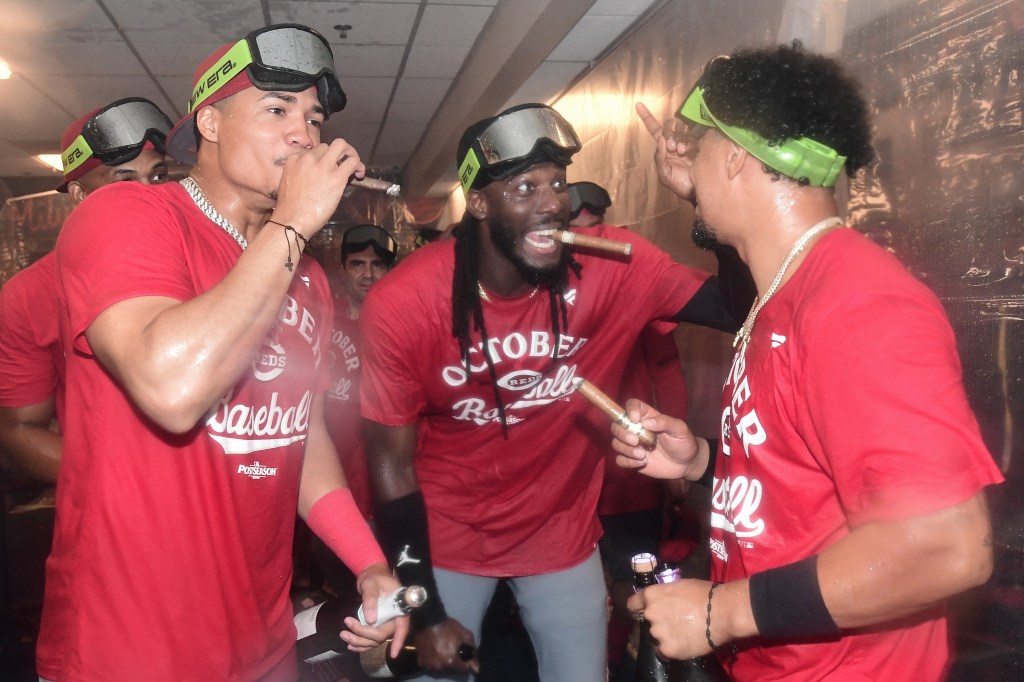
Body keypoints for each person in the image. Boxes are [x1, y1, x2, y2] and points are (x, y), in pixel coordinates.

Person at [616, 43, 1004, 681]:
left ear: (737, 156)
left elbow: (945, 548)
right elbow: (804, 487)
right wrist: (703, 462)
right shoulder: (784, 294)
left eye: (702, 146)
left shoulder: (858, 305)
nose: (687, 165)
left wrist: (722, 613)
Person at [37, 24, 407, 681]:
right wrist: (294, 224)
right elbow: (172, 391)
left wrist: (367, 561)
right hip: (130, 647)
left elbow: (302, 432)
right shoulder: (126, 216)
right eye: (276, 110)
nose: (304, 134)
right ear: (210, 121)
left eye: (313, 118)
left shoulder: (310, 277)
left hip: (259, 641)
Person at [359, 102, 739, 682]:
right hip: (450, 536)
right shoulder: (405, 302)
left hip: (559, 533)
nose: (552, 203)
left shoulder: (612, 266)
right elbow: (391, 464)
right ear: (479, 203)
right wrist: (427, 609)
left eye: (557, 183)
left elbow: (734, 307)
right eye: (525, 186)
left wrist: (706, 199)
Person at [0, 98, 173, 483]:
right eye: (125, 180)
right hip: (113, 513)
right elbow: (18, 432)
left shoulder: (204, 262)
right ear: (79, 194)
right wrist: (134, 482)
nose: (149, 195)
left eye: (158, 177)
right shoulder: (30, 294)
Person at [566, 180, 690, 680]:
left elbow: (667, 372)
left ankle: (631, 663)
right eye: (579, 233)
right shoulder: (537, 293)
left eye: (598, 230)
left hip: (629, 474)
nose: (592, 242)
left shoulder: (630, 287)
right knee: (579, 591)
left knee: (635, 581)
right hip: (568, 478)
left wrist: (680, 465)